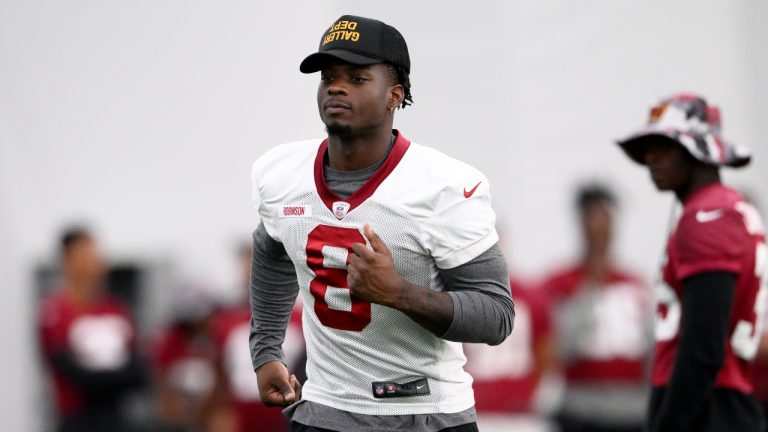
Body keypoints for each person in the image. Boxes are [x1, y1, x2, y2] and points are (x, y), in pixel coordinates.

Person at [249, 15, 515, 432]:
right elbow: (272, 251)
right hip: (325, 410)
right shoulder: (281, 175)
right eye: (329, 76)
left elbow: (496, 316)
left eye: (356, 78)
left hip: (426, 415)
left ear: (395, 94)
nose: (336, 86)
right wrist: (266, 351)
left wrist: (398, 293)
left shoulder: (443, 186)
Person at [617, 93, 767, 432]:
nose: (650, 158)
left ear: (698, 149)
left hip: (709, 408)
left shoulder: (708, 217)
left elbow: (704, 346)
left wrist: (669, 423)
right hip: (722, 403)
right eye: (647, 148)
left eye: (664, 146)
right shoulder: (728, 209)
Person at [539, 184, 653, 432]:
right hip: (581, 410)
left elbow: (651, 352)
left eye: (606, 217)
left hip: (633, 411)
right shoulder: (559, 283)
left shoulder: (635, 283)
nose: (601, 226)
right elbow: (557, 351)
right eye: (593, 216)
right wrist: (591, 284)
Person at [38, 227, 146, 432]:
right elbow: (70, 371)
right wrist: (113, 377)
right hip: (78, 420)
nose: (95, 258)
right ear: (67, 260)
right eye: (85, 253)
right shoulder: (56, 312)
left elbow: (138, 371)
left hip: (116, 418)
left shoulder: (116, 310)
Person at [207, 244, 304, 432]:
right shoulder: (226, 321)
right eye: (248, 261)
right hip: (243, 417)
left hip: (289, 416)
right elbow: (219, 377)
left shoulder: (301, 319)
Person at [463, 277, 555, 432]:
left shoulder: (455, 294)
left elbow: (545, 351)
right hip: (512, 408)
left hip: (482, 408)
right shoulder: (530, 294)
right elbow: (546, 352)